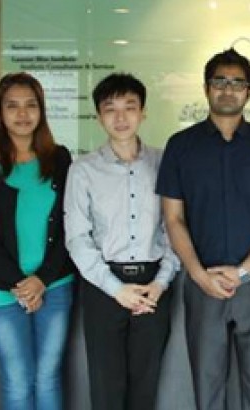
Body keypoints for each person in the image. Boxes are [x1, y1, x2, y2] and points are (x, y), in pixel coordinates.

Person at [156, 47, 250, 410]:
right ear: (205, 88)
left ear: (249, 91)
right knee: (207, 388)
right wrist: (199, 276)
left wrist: (244, 272)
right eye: (219, 81)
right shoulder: (181, 147)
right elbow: (173, 219)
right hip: (202, 282)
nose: (227, 89)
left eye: (237, 83)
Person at [64, 73, 179, 410]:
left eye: (130, 107)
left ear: (143, 112)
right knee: (106, 386)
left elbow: (173, 227)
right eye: (110, 109)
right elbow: (77, 238)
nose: (121, 117)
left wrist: (159, 282)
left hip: (154, 285)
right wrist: (117, 290)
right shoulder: (83, 169)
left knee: (146, 385)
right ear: (99, 117)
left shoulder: (164, 163)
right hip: (103, 287)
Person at [0, 72, 74, 410]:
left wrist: (41, 280)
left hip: (54, 284)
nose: (22, 114)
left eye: (31, 105)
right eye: (12, 106)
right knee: (17, 378)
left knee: (48, 376)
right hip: (2, 289)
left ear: (41, 111)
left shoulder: (60, 158)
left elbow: (71, 225)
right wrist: (20, 283)